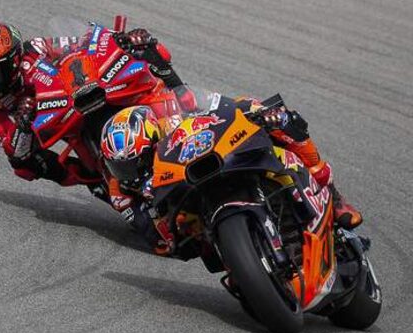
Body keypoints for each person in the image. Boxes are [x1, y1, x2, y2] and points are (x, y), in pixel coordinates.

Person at [99, 100, 363, 255]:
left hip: (206, 170)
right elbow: (158, 241)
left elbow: (213, 113)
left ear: (154, 140)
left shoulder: (172, 125)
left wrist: (252, 111)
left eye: (137, 162)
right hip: (192, 215)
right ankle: (243, 261)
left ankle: (333, 194)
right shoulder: (119, 191)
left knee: (279, 118)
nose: (130, 173)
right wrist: (163, 221)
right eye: (121, 167)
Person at [0, 23, 190, 189]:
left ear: (14, 60)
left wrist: (121, 39)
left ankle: (186, 103)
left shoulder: (35, 49)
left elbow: (82, 45)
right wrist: (23, 125)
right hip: (47, 126)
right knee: (25, 167)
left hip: (75, 98)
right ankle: (91, 179)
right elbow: (14, 151)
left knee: (148, 48)